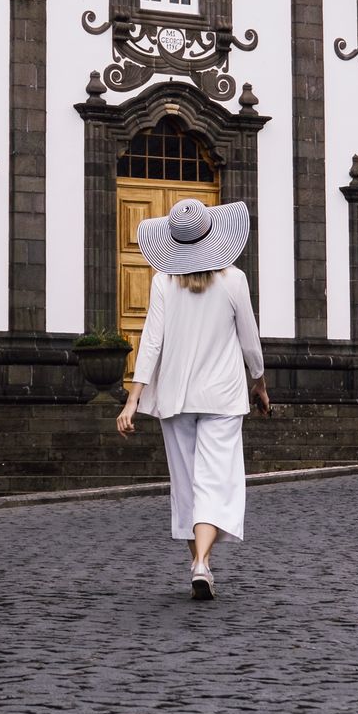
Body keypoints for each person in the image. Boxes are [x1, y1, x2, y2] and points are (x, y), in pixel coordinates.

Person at [114, 197, 268, 600]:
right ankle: (202, 562)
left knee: (187, 486)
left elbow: (151, 342)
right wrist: (260, 384)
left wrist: (133, 400)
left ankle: (199, 563)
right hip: (223, 396)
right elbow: (250, 342)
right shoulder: (233, 279)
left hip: (176, 397)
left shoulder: (163, 281)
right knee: (215, 483)